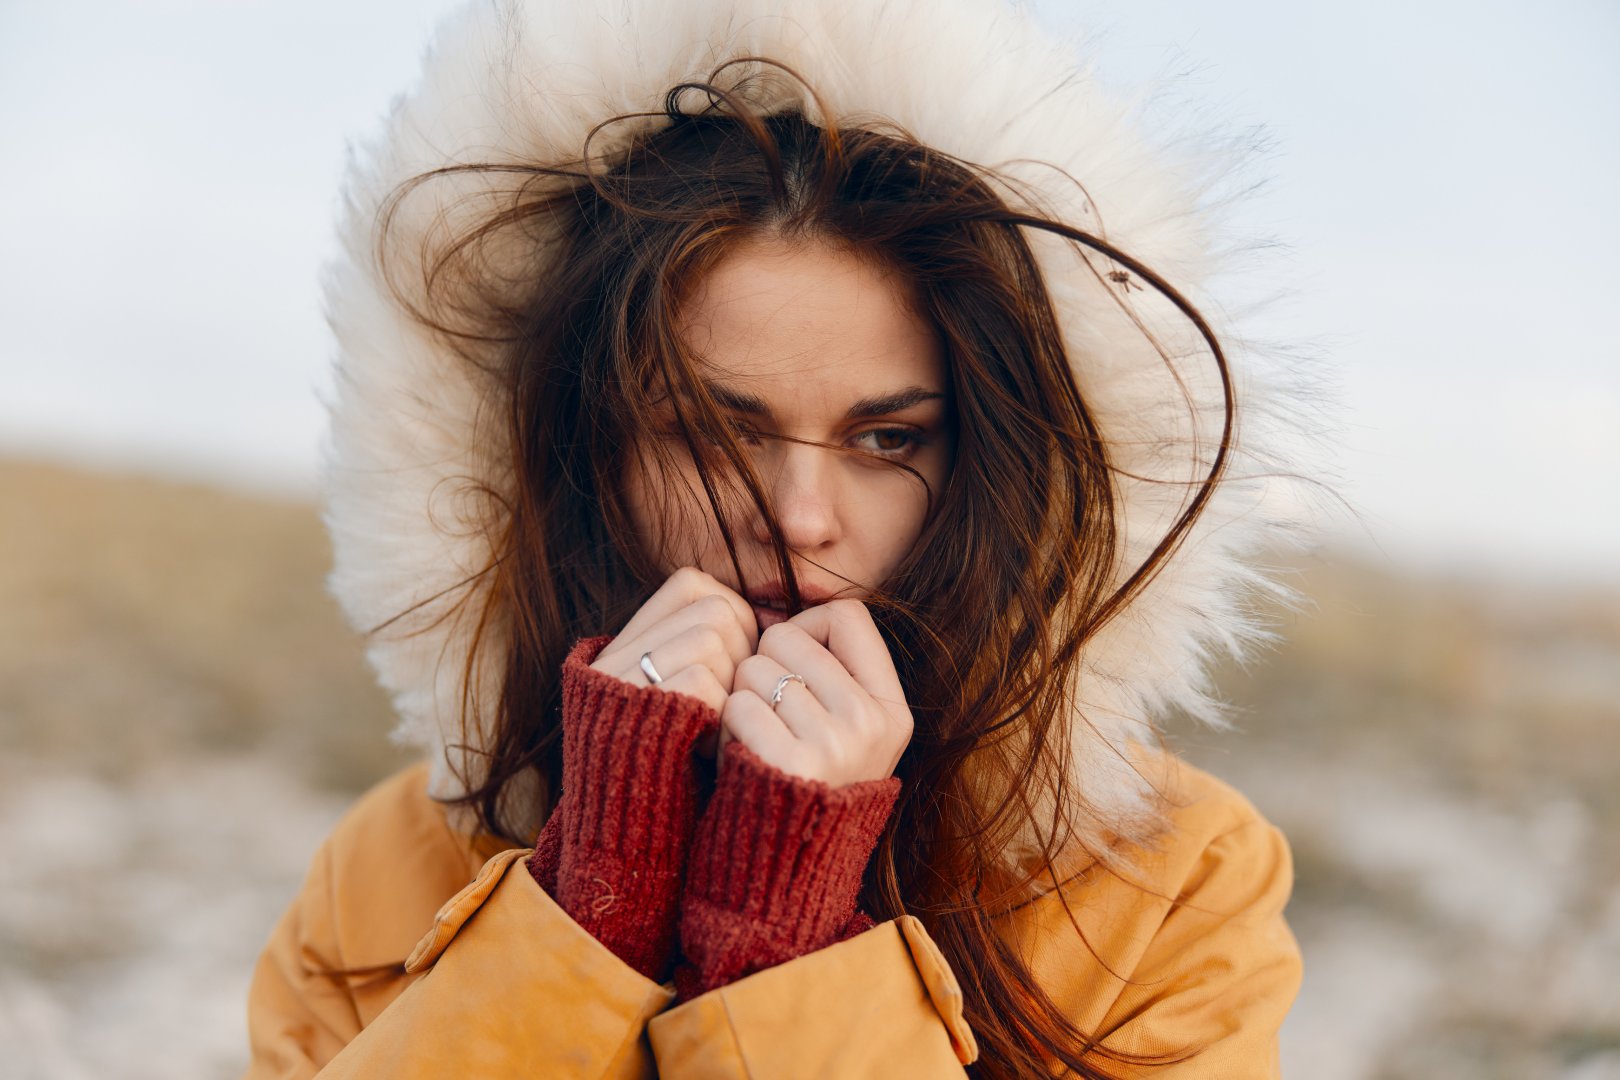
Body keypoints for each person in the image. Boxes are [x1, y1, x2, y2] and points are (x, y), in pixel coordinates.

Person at [245, 0, 1322, 1075]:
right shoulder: (390, 868)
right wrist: (588, 907)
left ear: (986, 471)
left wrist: (781, 949)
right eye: (715, 433)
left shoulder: (1170, 886)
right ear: (591, 451)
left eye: (887, 437)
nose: (802, 517)